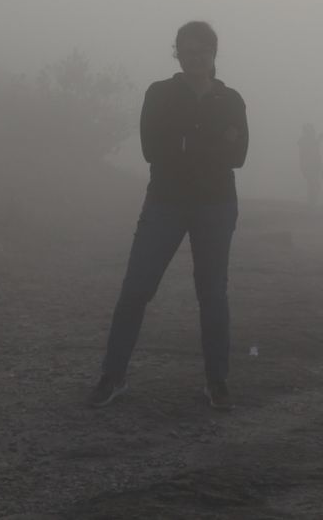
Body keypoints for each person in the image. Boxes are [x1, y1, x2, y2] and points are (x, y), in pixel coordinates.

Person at [87, 21, 248, 411]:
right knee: (136, 289)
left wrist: (185, 143)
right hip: (167, 203)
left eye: (203, 49)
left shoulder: (231, 99)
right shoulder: (159, 93)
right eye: (188, 49)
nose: (196, 56)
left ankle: (217, 382)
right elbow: (151, 149)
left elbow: (239, 155)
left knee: (212, 295)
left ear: (214, 53)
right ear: (177, 53)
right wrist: (214, 143)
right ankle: (113, 376)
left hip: (214, 205)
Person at [298, 123, 323, 208]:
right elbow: (311, 151)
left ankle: (312, 203)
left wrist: (321, 168)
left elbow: (316, 154)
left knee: (313, 184)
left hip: (313, 166)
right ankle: (312, 204)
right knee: (313, 184)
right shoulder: (305, 141)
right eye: (312, 130)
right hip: (310, 166)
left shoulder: (308, 141)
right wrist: (319, 140)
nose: (313, 132)